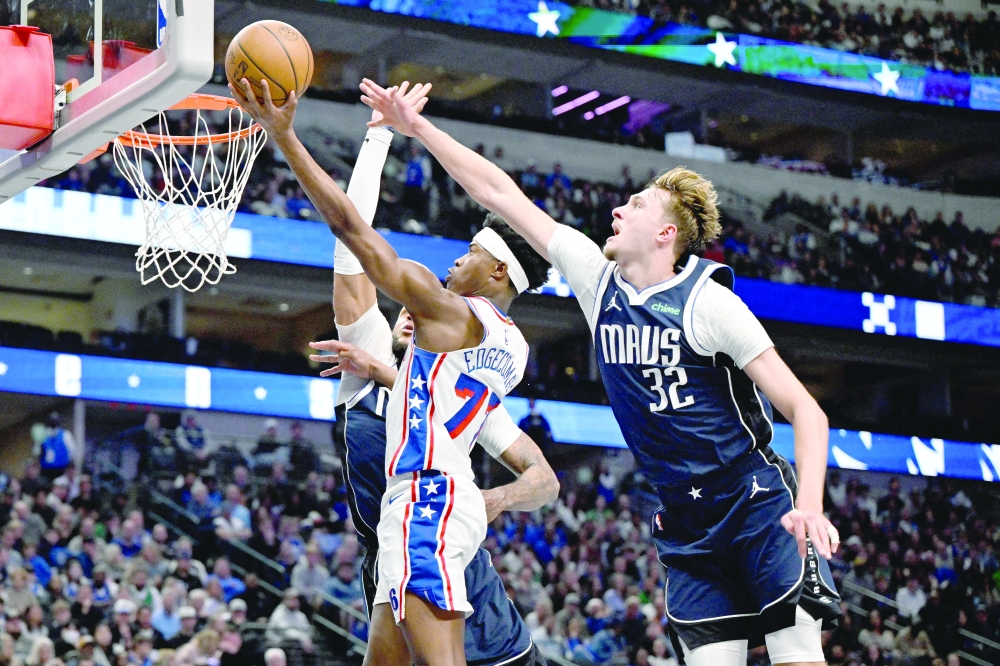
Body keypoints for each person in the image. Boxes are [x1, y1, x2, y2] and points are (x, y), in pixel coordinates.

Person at [360, 80, 842, 666]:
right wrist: (419, 129)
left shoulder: (709, 304)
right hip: (685, 517)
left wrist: (811, 505)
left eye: (636, 205)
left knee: (797, 655)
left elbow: (806, 412)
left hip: (754, 500)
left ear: (667, 234)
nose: (618, 208)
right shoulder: (597, 280)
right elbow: (502, 194)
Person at [234, 77, 553, 666]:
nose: (457, 259)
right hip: (417, 524)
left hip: (426, 507)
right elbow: (434, 385)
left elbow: (353, 235)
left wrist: (285, 137)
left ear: (499, 272)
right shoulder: (507, 349)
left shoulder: (447, 317)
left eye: (472, 252)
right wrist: (386, 371)